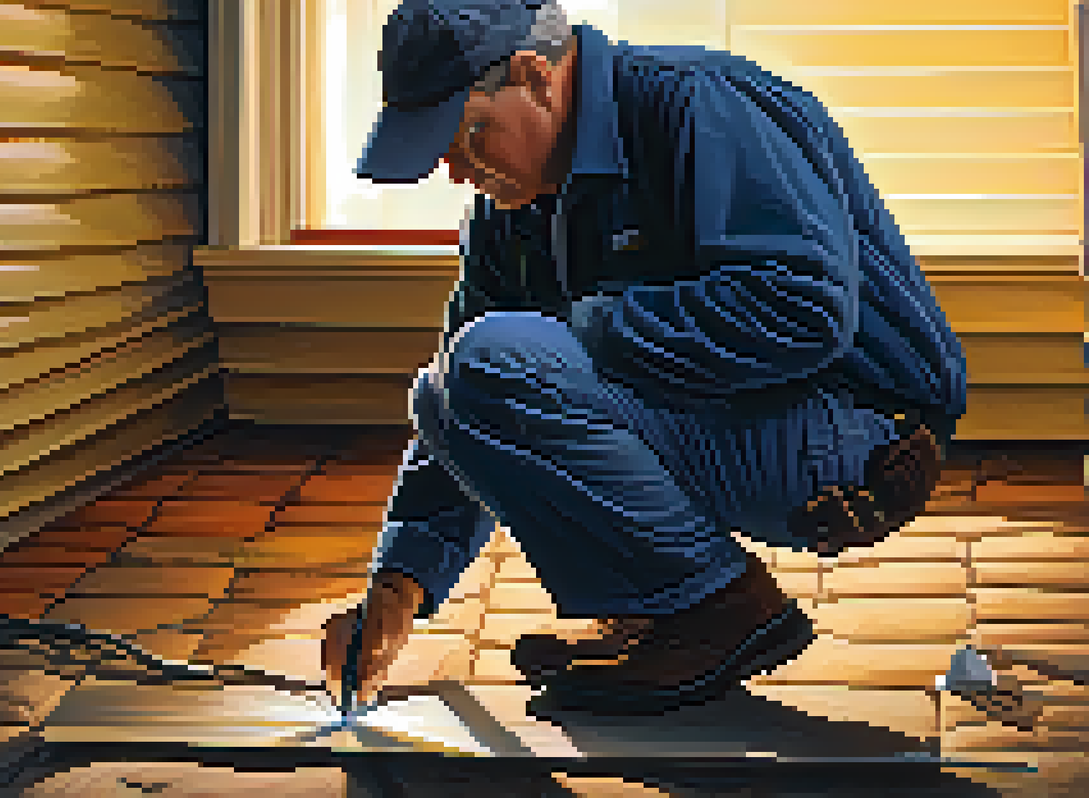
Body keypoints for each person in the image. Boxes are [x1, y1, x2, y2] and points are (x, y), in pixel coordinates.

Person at [319, 0, 966, 718]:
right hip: (744, 420)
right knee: (451, 385)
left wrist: (586, 329)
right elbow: (471, 402)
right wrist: (399, 583)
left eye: (466, 135)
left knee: (497, 357)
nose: (455, 172)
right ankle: (665, 607)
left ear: (536, 77)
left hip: (858, 436)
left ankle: (716, 610)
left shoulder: (699, 106)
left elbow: (804, 309)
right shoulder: (514, 207)